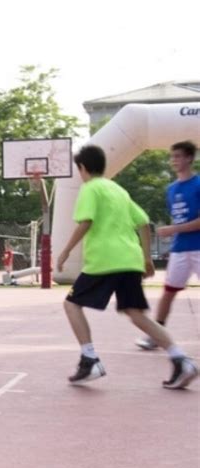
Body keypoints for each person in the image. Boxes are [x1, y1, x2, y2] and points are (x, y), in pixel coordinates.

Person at [57, 145, 197, 389]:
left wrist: (66, 250)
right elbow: (143, 222)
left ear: (82, 168)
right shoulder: (117, 189)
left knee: (71, 304)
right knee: (135, 313)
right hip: (130, 259)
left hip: (105, 260)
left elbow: (86, 221)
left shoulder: (90, 188)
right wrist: (146, 258)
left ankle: (89, 359)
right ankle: (180, 358)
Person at [136, 141, 200, 350]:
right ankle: (157, 335)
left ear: (190, 158)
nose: (174, 160)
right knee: (168, 292)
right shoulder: (171, 189)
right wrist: (174, 231)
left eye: (179, 156)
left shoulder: (198, 184)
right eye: (172, 156)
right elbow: (179, 220)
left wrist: (173, 229)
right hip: (180, 249)